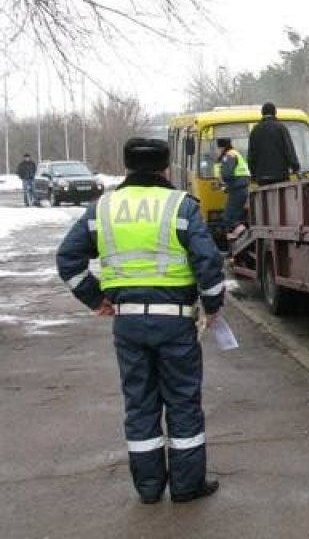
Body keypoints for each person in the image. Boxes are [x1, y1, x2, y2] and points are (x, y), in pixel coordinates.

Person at [56, 138, 224, 504]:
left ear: (128, 167)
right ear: (165, 168)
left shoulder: (103, 209)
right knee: (182, 402)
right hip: (176, 323)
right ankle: (186, 486)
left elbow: (68, 259)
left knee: (140, 403)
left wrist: (95, 297)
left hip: (128, 325)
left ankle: (149, 489)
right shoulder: (180, 205)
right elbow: (208, 261)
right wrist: (212, 306)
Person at [247, 102, 301, 186]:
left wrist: (253, 174)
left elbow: (251, 155)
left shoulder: (255, 130)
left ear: (262, 113)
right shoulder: (281, 128)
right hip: (280, 175)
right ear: (275, 112)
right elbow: (289, 150)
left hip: (262, 177)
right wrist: (296, 168)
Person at [215, 137, 250, 238]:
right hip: (241, 187)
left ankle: (242, 232)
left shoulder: (229, 155)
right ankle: (235, 237)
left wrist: (224, 184)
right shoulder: (235, 153)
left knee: (228, 217)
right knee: (234, 216)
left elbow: (227, 174)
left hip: (237, 188)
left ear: (221, 147)